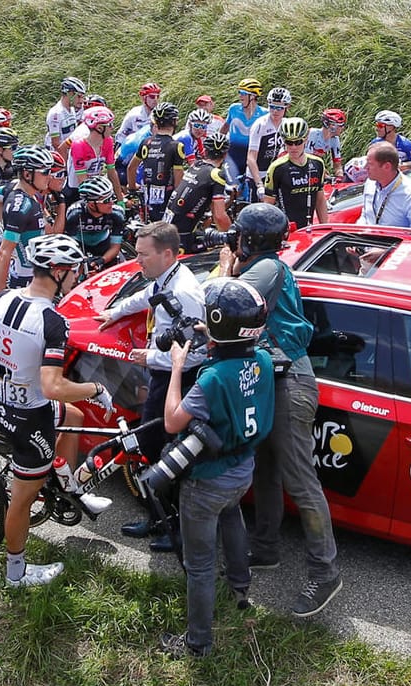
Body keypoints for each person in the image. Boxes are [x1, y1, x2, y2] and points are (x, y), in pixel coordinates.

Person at [0, 233, 111, 588]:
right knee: (22, 499)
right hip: (29, 415)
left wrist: (3, 350)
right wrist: (96, 389)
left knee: (72, 417)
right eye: (73, 271)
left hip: (0, 402)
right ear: (58, 271)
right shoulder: (52, 321)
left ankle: (68, 484)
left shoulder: (4, 298)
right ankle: (16, 572)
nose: (76, 276)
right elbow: (53, 387)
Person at [218, 202, 340, 617]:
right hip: (271, 380)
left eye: (237, 235)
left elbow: (223, 299)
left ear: (249, 240)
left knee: (301, 481)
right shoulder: (265, 265)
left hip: (290, 383)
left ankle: (325, 573)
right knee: (266, 470)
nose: (232, 240)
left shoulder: (268, 268)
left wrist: (223, 267)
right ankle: (265, 547)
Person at [157, 278, 274, 658]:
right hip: (243, 468)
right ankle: (241, 588)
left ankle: (198, 642)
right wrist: (213, 332)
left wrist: (176, 367)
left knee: (201, 563)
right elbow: (235, 350)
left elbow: (173, 421)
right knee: (232, 518)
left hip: (207, 479)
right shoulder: (264, 360)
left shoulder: (212, 378)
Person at [96, 221, 205, 552]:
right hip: (162, 375)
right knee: (151, 446)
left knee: (163, 450)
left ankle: (172, 524)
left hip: (177, 380)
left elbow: (195, 352)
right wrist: (115, 311)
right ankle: (160, 516)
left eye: (143, 254)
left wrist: (150, 357)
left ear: (167, 253)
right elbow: (148, 297)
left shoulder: (185, 293)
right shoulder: (164, 277)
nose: (138, 260)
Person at [0, 145, 54, 292]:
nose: (50, 176)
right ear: (27, 174)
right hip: (24, 279)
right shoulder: (20, 205)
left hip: (36, 274)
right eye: (45, 172)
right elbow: (4, 253)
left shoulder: (26, 192)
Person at [163, 131, 232, 252]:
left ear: (205, 151)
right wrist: (232, 237)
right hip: (182, 237)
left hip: (167, 228)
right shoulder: (216, 175)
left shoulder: (195, 166)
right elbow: (219, 216)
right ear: (225, 154)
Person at [265, 117, 327, 228]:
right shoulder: (276, 167)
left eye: (298, 142)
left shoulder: (318, 164)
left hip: (308, 228)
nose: (293, 147)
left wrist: (325, 228)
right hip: (285, 230)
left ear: (306, 139)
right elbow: (268, 206)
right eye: (289, 142)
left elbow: (320, 200)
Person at [129, 101, 183, 220]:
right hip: (167, 195)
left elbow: (131, 168)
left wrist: (132, 188)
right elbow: (178, 179)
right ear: (174, 122)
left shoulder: (146, 142)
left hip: (147, 193)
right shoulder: (176, 146)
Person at [360, 142, 411, 229]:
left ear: (387, 166)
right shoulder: (370, 184)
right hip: (367, 241)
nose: (365, 167)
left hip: (396, 242)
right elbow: (365, 216)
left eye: (370, 164)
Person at [62, 175, 125, 268]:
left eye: (112, 197)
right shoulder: (75, 214)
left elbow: (115, 246)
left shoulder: (117, 214)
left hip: (103, 244)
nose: (111, 203)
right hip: (79, 245)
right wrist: (84, 261)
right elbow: (70, 244)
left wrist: (102, 260)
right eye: (106, 200)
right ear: (91, 205)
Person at [246, 87, 290, 201]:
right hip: (258, 174)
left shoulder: (286, 125)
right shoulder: (260, 125)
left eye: (279, 108)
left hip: (276, 173)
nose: (275, 111)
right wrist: (259, 185)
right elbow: (251, 158)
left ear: (286, 107)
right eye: (272, 107)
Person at [225, 79, 265, 192]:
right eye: (239, 93)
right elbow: (224, 127)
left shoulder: (264, 114)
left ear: (252, 96)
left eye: (243, 93)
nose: (240, 96)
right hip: (233, 156)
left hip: (254, 157)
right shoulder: (234, 109)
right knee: (232, 191)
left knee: (249, 193)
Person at [46, 77, 85, 156]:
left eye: (82, 97)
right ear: (69, 94)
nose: (81, 101)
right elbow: (56, 144)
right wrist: (66, 165)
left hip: (69, 151)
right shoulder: (56, 114)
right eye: (79, 96)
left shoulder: (72, 109)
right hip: (57, 156)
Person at [306, 108, 346, 180]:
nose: (343, 128)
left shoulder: (335, 139)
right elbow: (307, 160)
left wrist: (340, 177)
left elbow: (337, 165)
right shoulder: (313, 133)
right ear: (332, 126)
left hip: (315, 168)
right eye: (341, 125)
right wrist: (324, 174)